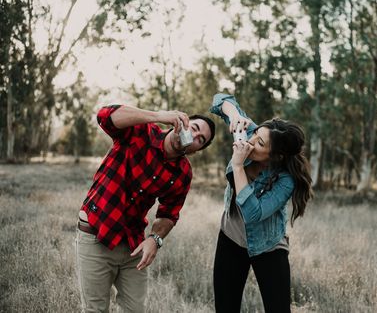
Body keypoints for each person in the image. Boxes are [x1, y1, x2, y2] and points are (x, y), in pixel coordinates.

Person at [76, 104, 215, 312]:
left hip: (133, 244)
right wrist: (158, 115)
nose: (194, 137)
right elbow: (105, 116)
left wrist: (155, 239)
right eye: (194, 128)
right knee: (95, 309)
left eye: (200, 140)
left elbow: (169, 213)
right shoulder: (141, 131)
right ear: (181, 122)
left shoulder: (183, 172)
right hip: (96, 233)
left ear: (197, 150)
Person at [210, 93, 313, 312]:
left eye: (259, 143)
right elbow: (221, 99)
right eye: (255, 133)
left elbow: (253, 214)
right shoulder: (249, 133)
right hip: (231, 237)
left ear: (275, 156)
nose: (250, 141)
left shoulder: (286, 180)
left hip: (268, 245)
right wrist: (235, 114)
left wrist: (238, 167)